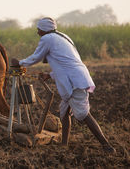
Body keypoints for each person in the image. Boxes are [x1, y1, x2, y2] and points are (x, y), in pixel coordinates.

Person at [11, 17, 115, 153]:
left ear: (44, 30)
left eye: (38, 30)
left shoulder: (47, 39)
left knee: (84, 114)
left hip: (75, 81)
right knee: (64, 112)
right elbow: (64, 63)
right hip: (76, 76)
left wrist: (19, 63)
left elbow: (35, 57)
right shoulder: (64, 37)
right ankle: (64, 144)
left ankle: (106, 145)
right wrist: (49, 75)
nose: (37, 32)